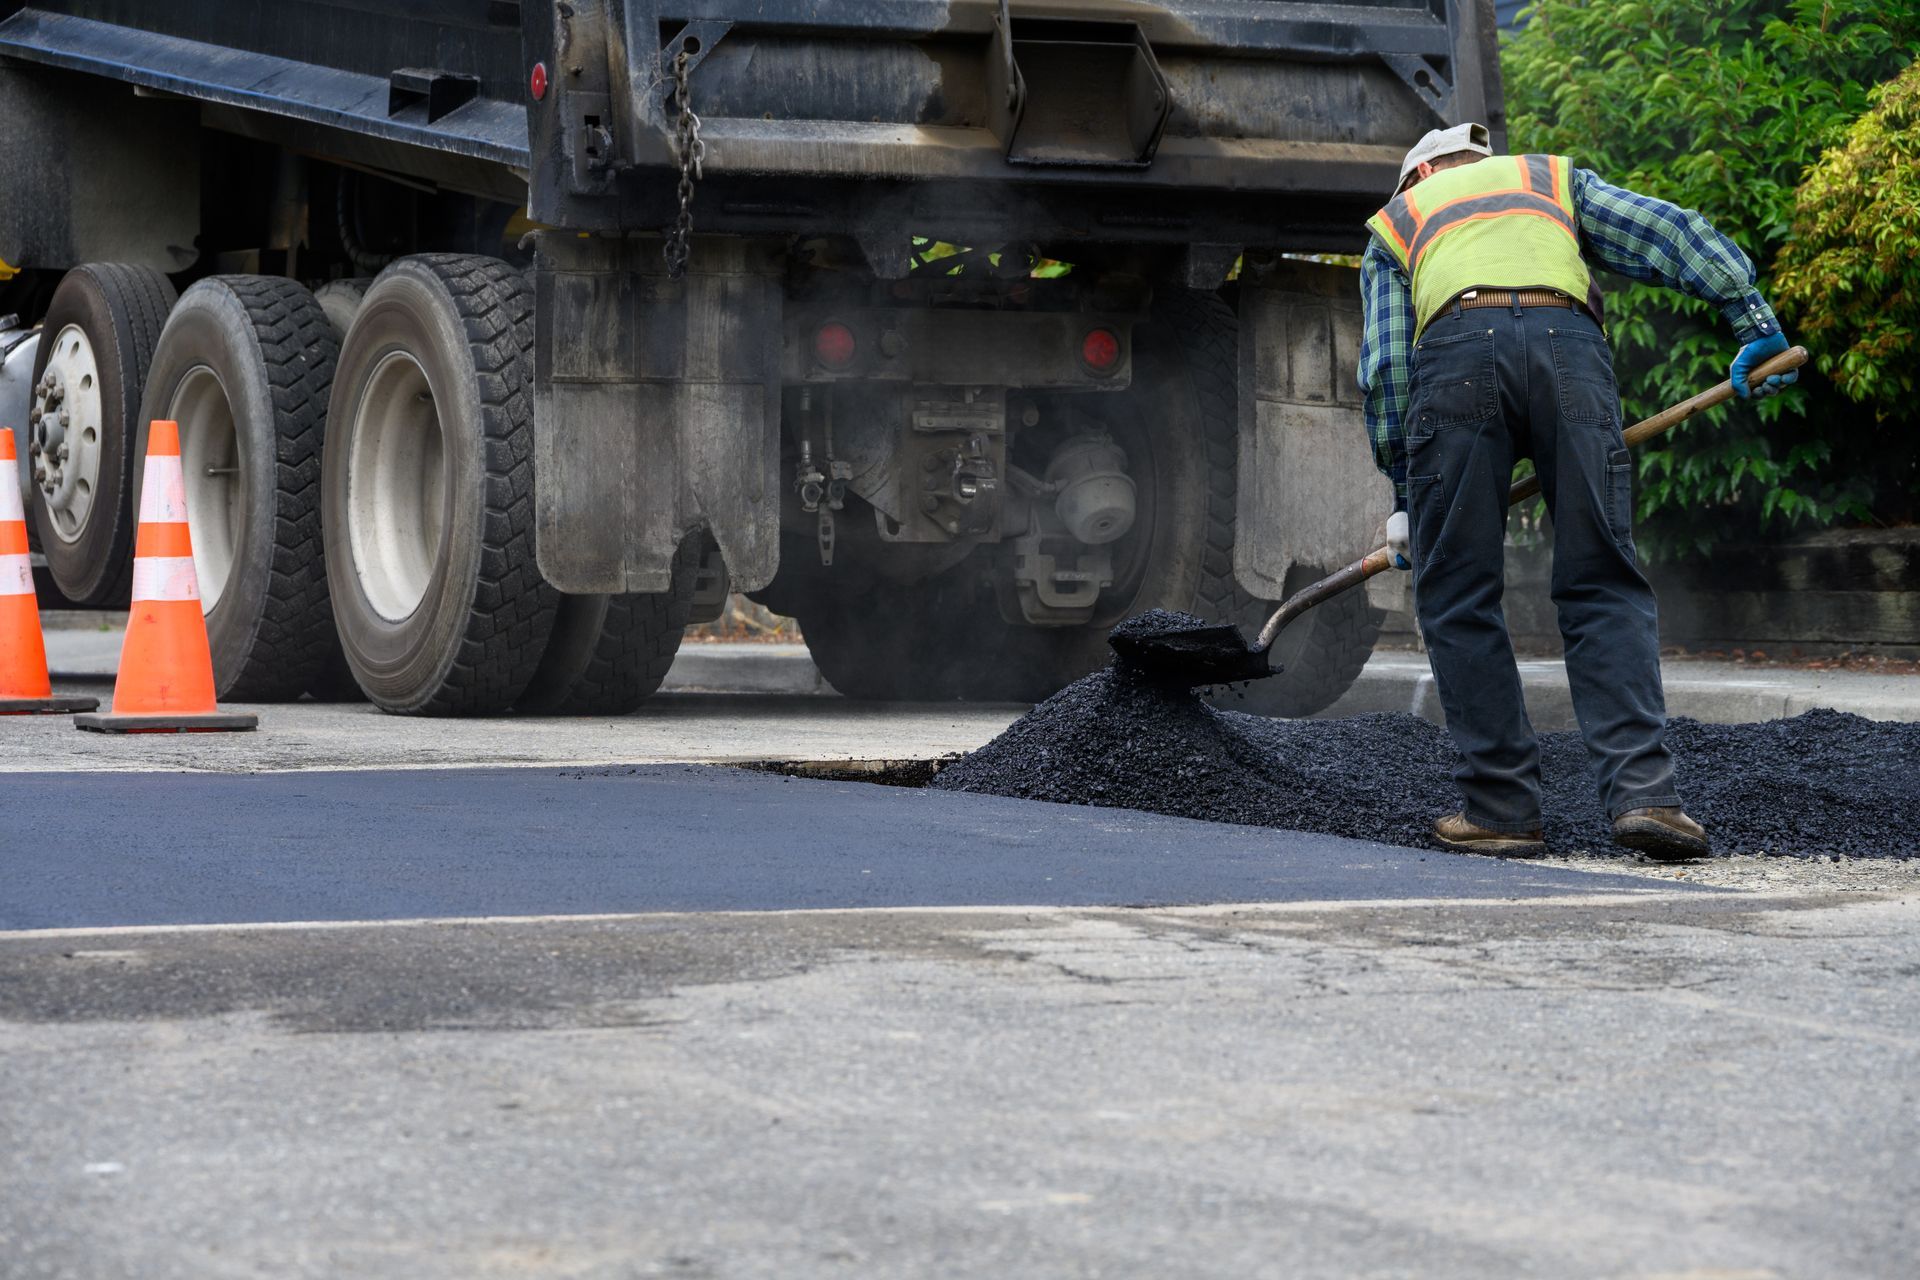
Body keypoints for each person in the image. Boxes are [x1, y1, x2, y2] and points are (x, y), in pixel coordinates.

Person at [1356, 123, 1796, 860]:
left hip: (1456, 355)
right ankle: (1648, 799)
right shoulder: (1544, 182)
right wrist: (1752, 317)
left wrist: (1410, 498)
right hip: (1571, 352)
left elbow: (1389, 372)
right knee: (1602, 579)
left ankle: (1501, 810)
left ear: (1419, 172)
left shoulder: (1397, 222)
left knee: (1458, 590)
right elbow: (1669, 233)